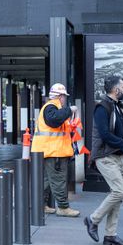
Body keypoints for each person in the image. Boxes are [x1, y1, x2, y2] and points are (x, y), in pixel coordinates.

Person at [84, 75, 123, 245]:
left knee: (118, 196)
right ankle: (93, 219)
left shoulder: (119, 107)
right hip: (105, 157)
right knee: (119, 192)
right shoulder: (102, 107)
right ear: (115, 89)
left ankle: (110, 235)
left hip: (120, 157)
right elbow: (105, 134)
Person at [31, 83, 80, 217]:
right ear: (60, 96)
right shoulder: (51, 108)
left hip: (48, 150)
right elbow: (54, 120)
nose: (65, 99)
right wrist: (70, 110)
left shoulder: (52, 108)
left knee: (46, 180)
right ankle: (63, 207)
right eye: (64, 96)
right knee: (58, 179)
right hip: (53, 151)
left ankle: (40, 204)